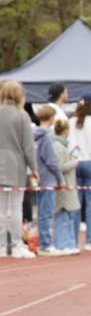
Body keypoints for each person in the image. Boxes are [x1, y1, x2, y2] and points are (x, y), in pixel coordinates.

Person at [0, 80, 38, 259]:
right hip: (16, 165)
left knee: (0, 207)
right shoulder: (22, 115)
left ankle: (1, 246)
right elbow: (28, 146)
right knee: (16, 206)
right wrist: (34, 167)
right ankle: (16, 245)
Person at [34, 105, 65, 255]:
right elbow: (52, 160)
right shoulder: (47, 136)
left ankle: (42, 242)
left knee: (41, 212)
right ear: (51, 118)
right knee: (47, 212)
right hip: (48, 178)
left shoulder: (34, 134)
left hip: (38, 177)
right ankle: (45, 244)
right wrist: (60, 178)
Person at [52, 118, 80, 255]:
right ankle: (61, 244)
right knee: (62, 216)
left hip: (67, 185)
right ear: (65, 131)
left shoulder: (61, 145)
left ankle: (68, 243)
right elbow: (60, 167)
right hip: (63, 185)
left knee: (68, 215)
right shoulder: (58, 146)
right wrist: (74, 162)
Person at [69, 98, 91, 248]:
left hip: (75, 163)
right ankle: (90, 240)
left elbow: (71, 144)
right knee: (90, 203)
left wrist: (76, 156)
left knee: (75, 203)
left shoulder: (72, 121)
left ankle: (74, 240)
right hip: (89, 162)